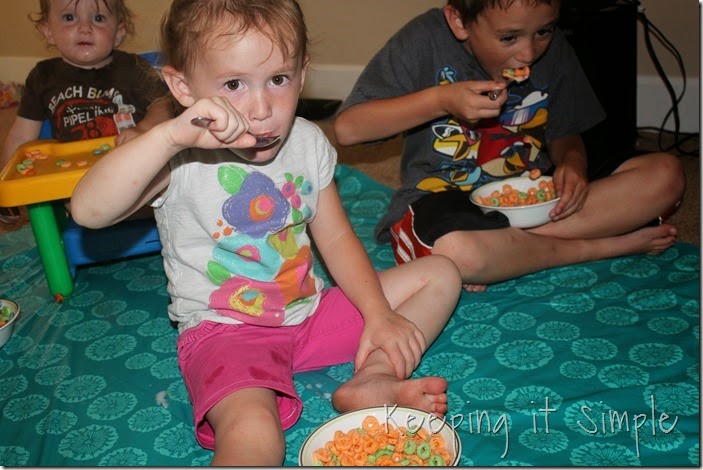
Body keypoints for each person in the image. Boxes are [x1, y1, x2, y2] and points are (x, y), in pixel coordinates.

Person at [70, 0, 462, 465]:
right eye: (234, 84)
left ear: (302, 72)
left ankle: (372, 375)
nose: (262, 109)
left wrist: (377, 315)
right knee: (256, 436)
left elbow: (336, 239)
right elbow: (88, 211)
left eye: (278, 79)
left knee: (440, 273)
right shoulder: (180, 157)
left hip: (308, 314)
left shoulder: (307, 141)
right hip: (227, 335)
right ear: (183, 88)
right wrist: (168, 137)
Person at [333, 0, 685, 292]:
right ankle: (597, 246)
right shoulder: (423, 39)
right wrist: (440, 100)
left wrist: (573, 164)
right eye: (509, 37)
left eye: (544, 31)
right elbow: (348, 129)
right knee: (455, 251)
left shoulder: (553, 51)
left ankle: (509, 251)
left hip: (536, 197)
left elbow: (565, 133)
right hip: (447, 199)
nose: (528, 52)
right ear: (459, 21)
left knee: (665, 174)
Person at [0, 0, 170, 223]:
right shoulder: (42, 76)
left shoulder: (133, 67)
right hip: (77, 183)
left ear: (118, 32)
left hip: (134, 172)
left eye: (98, 18)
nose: (85, 28)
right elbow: (21, 137)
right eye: (69, 17)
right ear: (48, 31)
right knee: (72, 202)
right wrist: (5, 186)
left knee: (171, 171)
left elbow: (164, 104)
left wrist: (145, 128)